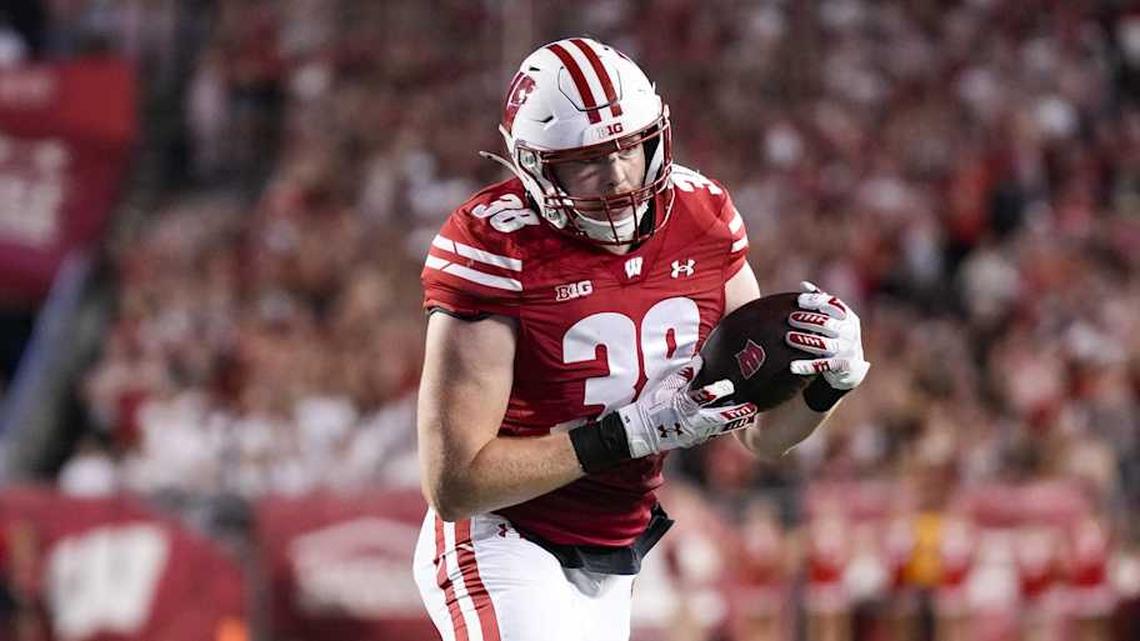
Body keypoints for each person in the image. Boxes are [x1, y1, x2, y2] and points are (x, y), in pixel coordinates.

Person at [412, 37, 869, 641]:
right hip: (503, 538)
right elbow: (456, 485)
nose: (620, 176)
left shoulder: (703, 218)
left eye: (631, 147)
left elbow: (763, 436)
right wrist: (631, 433)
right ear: (532, 165)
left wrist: (825, 384)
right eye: (587, 159)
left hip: (618, 547)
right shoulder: (494, 246)